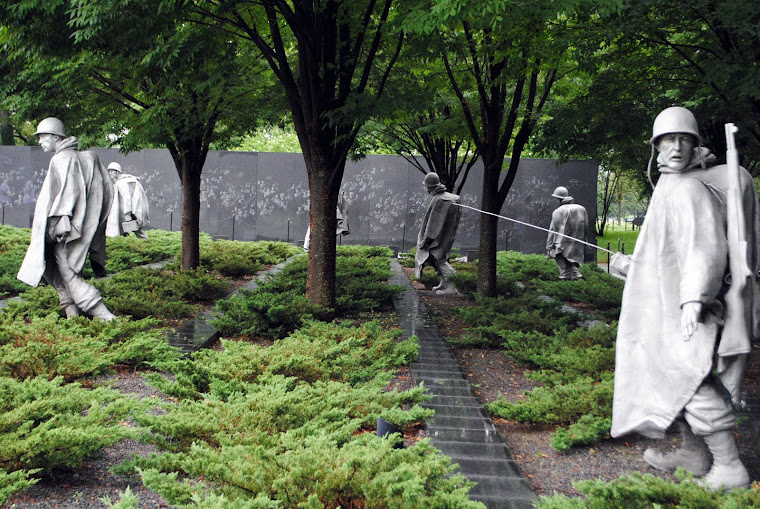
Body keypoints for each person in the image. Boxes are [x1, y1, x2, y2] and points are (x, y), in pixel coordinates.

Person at [610, 106, 759, 491]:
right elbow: (664, 254)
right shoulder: (669, 185)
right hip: (666, 307)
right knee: (669, 376)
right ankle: (694, 455)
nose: (676, 147)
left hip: (689, 310)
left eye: (684, 139)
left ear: (694, 144)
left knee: (690, 378)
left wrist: (694, 298)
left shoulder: (687, 189)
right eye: (668, 139)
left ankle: (729, 467)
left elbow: (704, 248)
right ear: (656, 146)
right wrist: (630, 265)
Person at [17, 117, 117, 321]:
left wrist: (55, 228)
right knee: (54, 272)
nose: (40, 141)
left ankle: (105, 316)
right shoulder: (84, 158)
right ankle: (72, 316)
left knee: (69, 274)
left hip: (63, 231)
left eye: (43, 136)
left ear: (55, 137)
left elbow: (66, 196)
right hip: (70, 228)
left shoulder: (62, 159)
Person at [415, 172, 461, 296]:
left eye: (427, 186)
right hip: (445, 236)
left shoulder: (440, 199)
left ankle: (453, 286)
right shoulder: (451, 198)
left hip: (437, 238)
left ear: (430, 187)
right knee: (434, 260)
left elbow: (433, 224)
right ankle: (444, 282)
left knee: (439, 260)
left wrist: (426, 239)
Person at [546, 186, 588, 280]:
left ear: (558, 199)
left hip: (561, 245)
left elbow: (553, 230)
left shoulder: (558, 211)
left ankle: (565, 284)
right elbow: (586, 226)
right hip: (577, 243)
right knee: (572, 265)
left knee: (564, 268)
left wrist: (549, 246)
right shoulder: (581, 209)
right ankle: (577, 280)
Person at [106, 162, 150, 239]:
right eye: (109, 171)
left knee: (138, 231)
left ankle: (145, 244)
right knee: (124, 230)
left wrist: (127, 215)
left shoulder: (122, 182)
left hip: (128, 212)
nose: (110, 173)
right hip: (124, 212)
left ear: (117, 171)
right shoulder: (121, 181)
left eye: (112, 170)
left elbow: (127, 198)